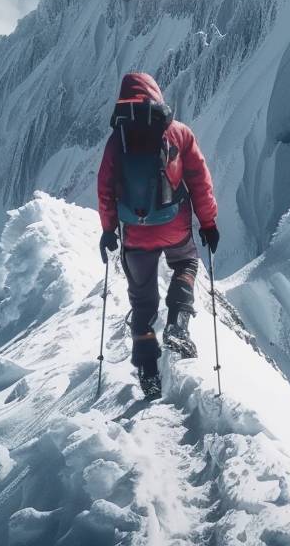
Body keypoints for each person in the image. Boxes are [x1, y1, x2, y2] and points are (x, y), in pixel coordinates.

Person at [97, 72, 220, 399]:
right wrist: (208, 223)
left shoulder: (117, 140)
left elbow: (105, 189)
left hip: (135, 235)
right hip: (174, 226)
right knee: (186, 265)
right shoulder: (179, 133)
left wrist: (108, 230)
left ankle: (149, 373)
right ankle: (179, 323)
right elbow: (199, 182)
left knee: (142, 301)